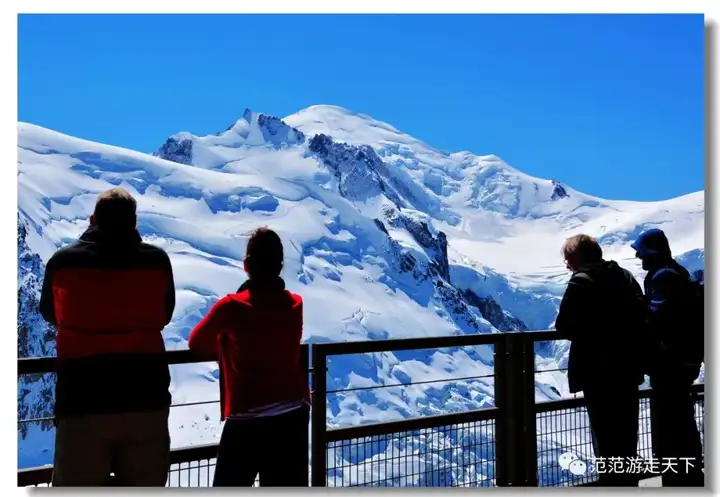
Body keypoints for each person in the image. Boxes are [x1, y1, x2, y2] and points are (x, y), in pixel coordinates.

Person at [39, 188, 175, 486]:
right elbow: (164, 315)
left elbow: (49, 312)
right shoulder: (157, 262)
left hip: (82, 401)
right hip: (146, 398)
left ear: (93, 220)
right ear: (134, 222)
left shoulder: (64, 263)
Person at [188, 227, 310, 487]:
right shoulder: (295, 305)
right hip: (292, 416)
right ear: (280, 266)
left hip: (247, 420)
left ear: (246, 265)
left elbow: (197, 343)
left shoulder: (231, 307)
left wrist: (224, 345)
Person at [555, 234, 646, 486]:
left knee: (605, 438)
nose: (566, 264)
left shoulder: (580, 283)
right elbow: (642, 315)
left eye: (567, 259)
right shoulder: (624, 276)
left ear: (576, 259)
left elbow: (564, 327)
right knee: (627, 435)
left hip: (597, 373)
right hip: (628, 369)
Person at [631, 228, 704, 487]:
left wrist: (638, 307)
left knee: (672, 422)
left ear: (653, 252)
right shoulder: (677, 272)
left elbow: (659, 317)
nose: (639, 257)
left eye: (642, 252)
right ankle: (687, 474)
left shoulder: (663, 277)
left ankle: (680, 477)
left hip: (670, 363)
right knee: (680, 419)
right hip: (684, 360)